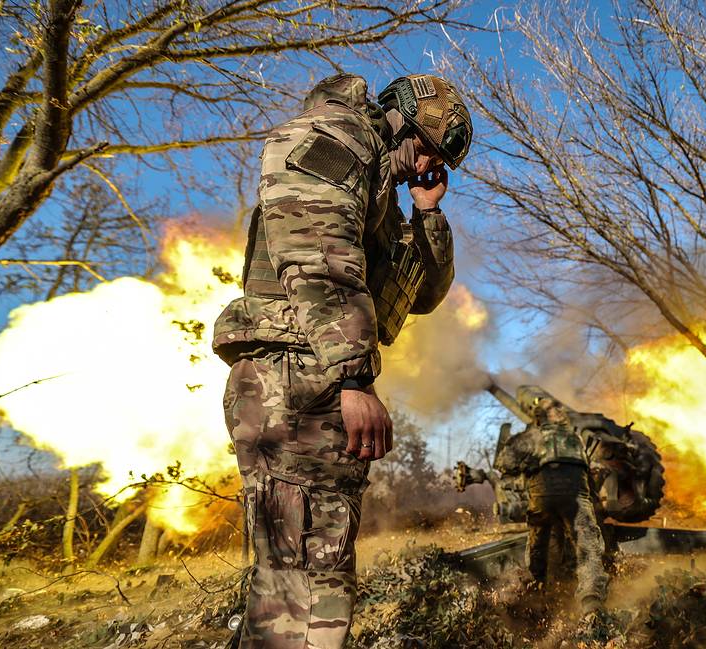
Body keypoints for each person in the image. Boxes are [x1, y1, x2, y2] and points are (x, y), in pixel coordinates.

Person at [213, 72, 472, 648]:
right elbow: (317, 261)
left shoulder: (377, 183)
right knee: (308, 582)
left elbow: (422, 296)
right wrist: (353, 377)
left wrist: (427, 211)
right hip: (301, 375)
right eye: (434, 145)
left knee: (297, 576)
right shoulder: (336, 140)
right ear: (410, 122)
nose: (431, 161)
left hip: (312, 372)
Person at [495, 398, 609, 616]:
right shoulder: (575, 438)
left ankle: (536, 593)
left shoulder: (532, 436)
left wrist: (523, 464)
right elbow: (589, 472)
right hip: (576, 499)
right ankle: (591, 600)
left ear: (538, 419)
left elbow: (504, 463)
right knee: (587, 545)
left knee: (539, 545)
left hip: (542, 498)